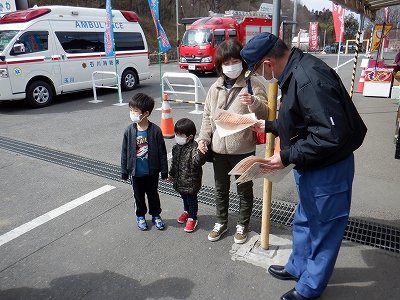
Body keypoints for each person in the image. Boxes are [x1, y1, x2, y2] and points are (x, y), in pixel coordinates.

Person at [241, 32, 367, 300]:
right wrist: (270, 126)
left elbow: (331, 135)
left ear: (266, 63)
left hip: (329, 168)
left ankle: (310, 286)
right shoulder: (295, 69)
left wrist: (286, 156)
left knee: (324, 228)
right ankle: (298, 266)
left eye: (255, 69)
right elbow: (301, 117)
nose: (258, 75)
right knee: (305, 219)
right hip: (311, 165)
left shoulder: (308, 78)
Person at [197, 39, 268, 244]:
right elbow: (207, 117)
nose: (230, 66)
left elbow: (267, 112)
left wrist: (254, 102)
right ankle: (221, 222)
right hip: (219, 150)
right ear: (219, 66)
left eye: (235, 61)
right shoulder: (215, 88)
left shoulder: (253, 84)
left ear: (243, 62)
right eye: (225, 63)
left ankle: (242, 224)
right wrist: (204, 139)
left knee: (244, 189)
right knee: (220, 189)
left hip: (243, 149)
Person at [121, 93, 168, 231]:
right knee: (138, 196)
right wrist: (124, 171)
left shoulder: (155, 131)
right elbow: (124, 152)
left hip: (151, 172)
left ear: (146, 113)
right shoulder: (129, 131)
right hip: (136, 173)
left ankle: (156, 215)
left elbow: (162, 152)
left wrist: (164, 171)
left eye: (135, 111)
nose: (132, 113)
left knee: (153, 195)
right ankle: (140, 216)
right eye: (130, 110)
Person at [168, 118, 206, 233]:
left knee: (191, 200)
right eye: (176, 134)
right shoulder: (176, 148)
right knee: (184, 197)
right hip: (180, 181)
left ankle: (192, 217)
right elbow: (174, 163)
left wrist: (201, 152)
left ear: (189, 137)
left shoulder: (194, 148)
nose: (177, 136)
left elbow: (198, 161)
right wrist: (171, 174)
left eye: (180, 134)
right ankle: (186, 211)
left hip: (191, 182)